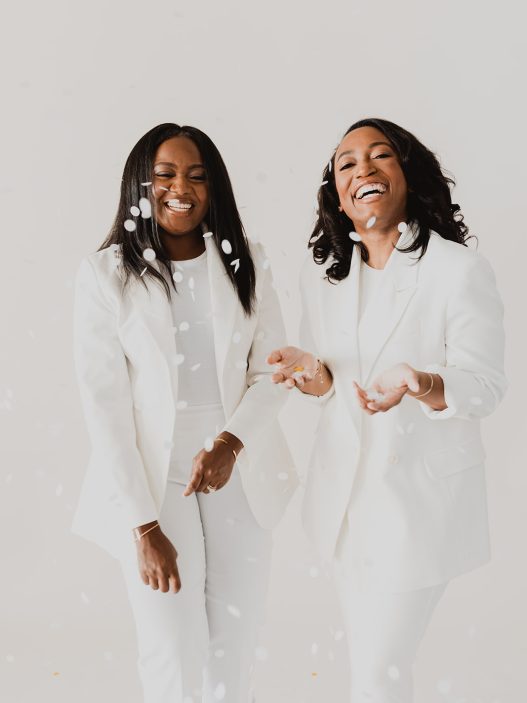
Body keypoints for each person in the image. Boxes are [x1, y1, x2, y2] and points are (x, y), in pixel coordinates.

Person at [268, 117, 506, 702]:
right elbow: (332, 382)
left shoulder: (456, 269)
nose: (362, 170)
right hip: (345, 505)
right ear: (337, 193)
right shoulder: (323, 274)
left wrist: (423, 382)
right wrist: (314, 376)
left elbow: (486, 386)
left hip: (417, 506)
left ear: (408, 174)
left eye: (380, 157)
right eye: (346, 163)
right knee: (376, 667)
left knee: (379, 671)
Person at [72, 123, 296, 703]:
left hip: (238, 475)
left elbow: (273, 371)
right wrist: (144, 527)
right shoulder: (106, 276)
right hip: (153, 482)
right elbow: (105, 408)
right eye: (166, 174)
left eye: (197, 176)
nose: (181, 188)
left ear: (214, 188)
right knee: (171, 647)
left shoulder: (249, 262)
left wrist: (231, 442)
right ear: (140, 185)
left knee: (235, 642)